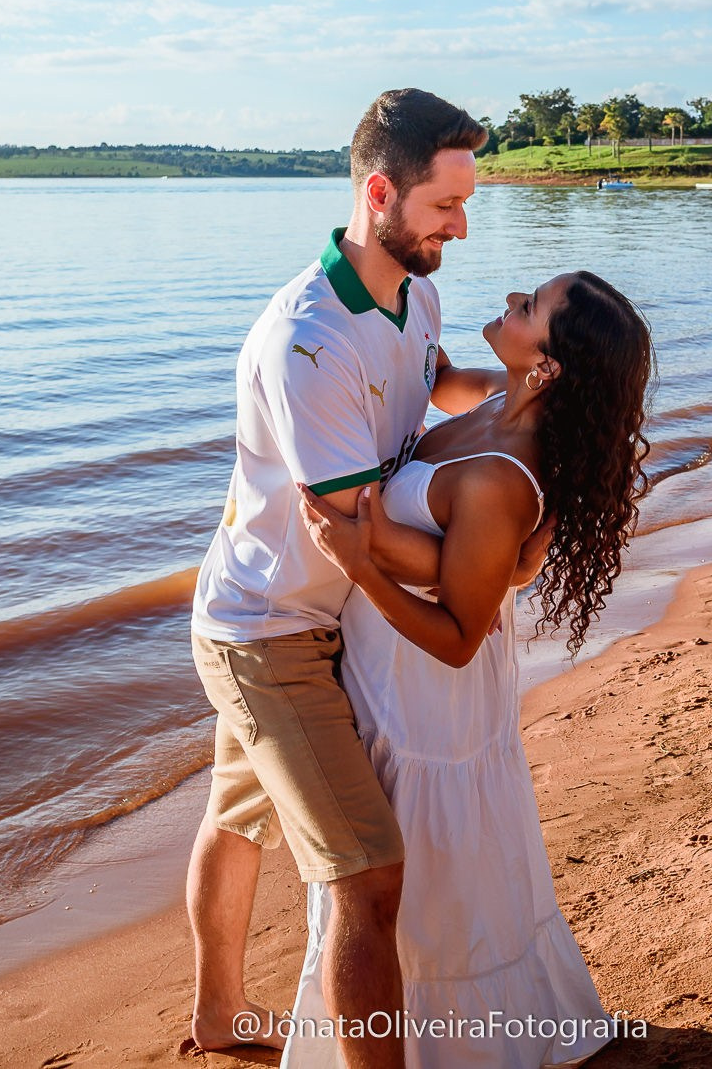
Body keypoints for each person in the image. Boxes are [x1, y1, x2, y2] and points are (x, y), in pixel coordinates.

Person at [185, 88, 536, 1065]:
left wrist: (533, 393)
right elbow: (358, 531)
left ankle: (216, 1016)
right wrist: (493, 565)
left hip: (314, 609)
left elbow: (434, 383)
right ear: (379, 192)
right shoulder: (310, 339)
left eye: (465, 205)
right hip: (269, 630)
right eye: (443, 208)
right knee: (369, 876)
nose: (459, 229)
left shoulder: (412, 288)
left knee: (235, 807)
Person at [289, 270, 655, 1068]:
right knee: (401, 866)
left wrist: (364, 566)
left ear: (549, 366)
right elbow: (427, 368)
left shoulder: (501, 474)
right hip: (390, 669)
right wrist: (389, 288)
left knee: (429, 872)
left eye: (531, 308)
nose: (515, 299)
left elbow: (459, 634)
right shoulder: (494, 393)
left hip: (431, 693)